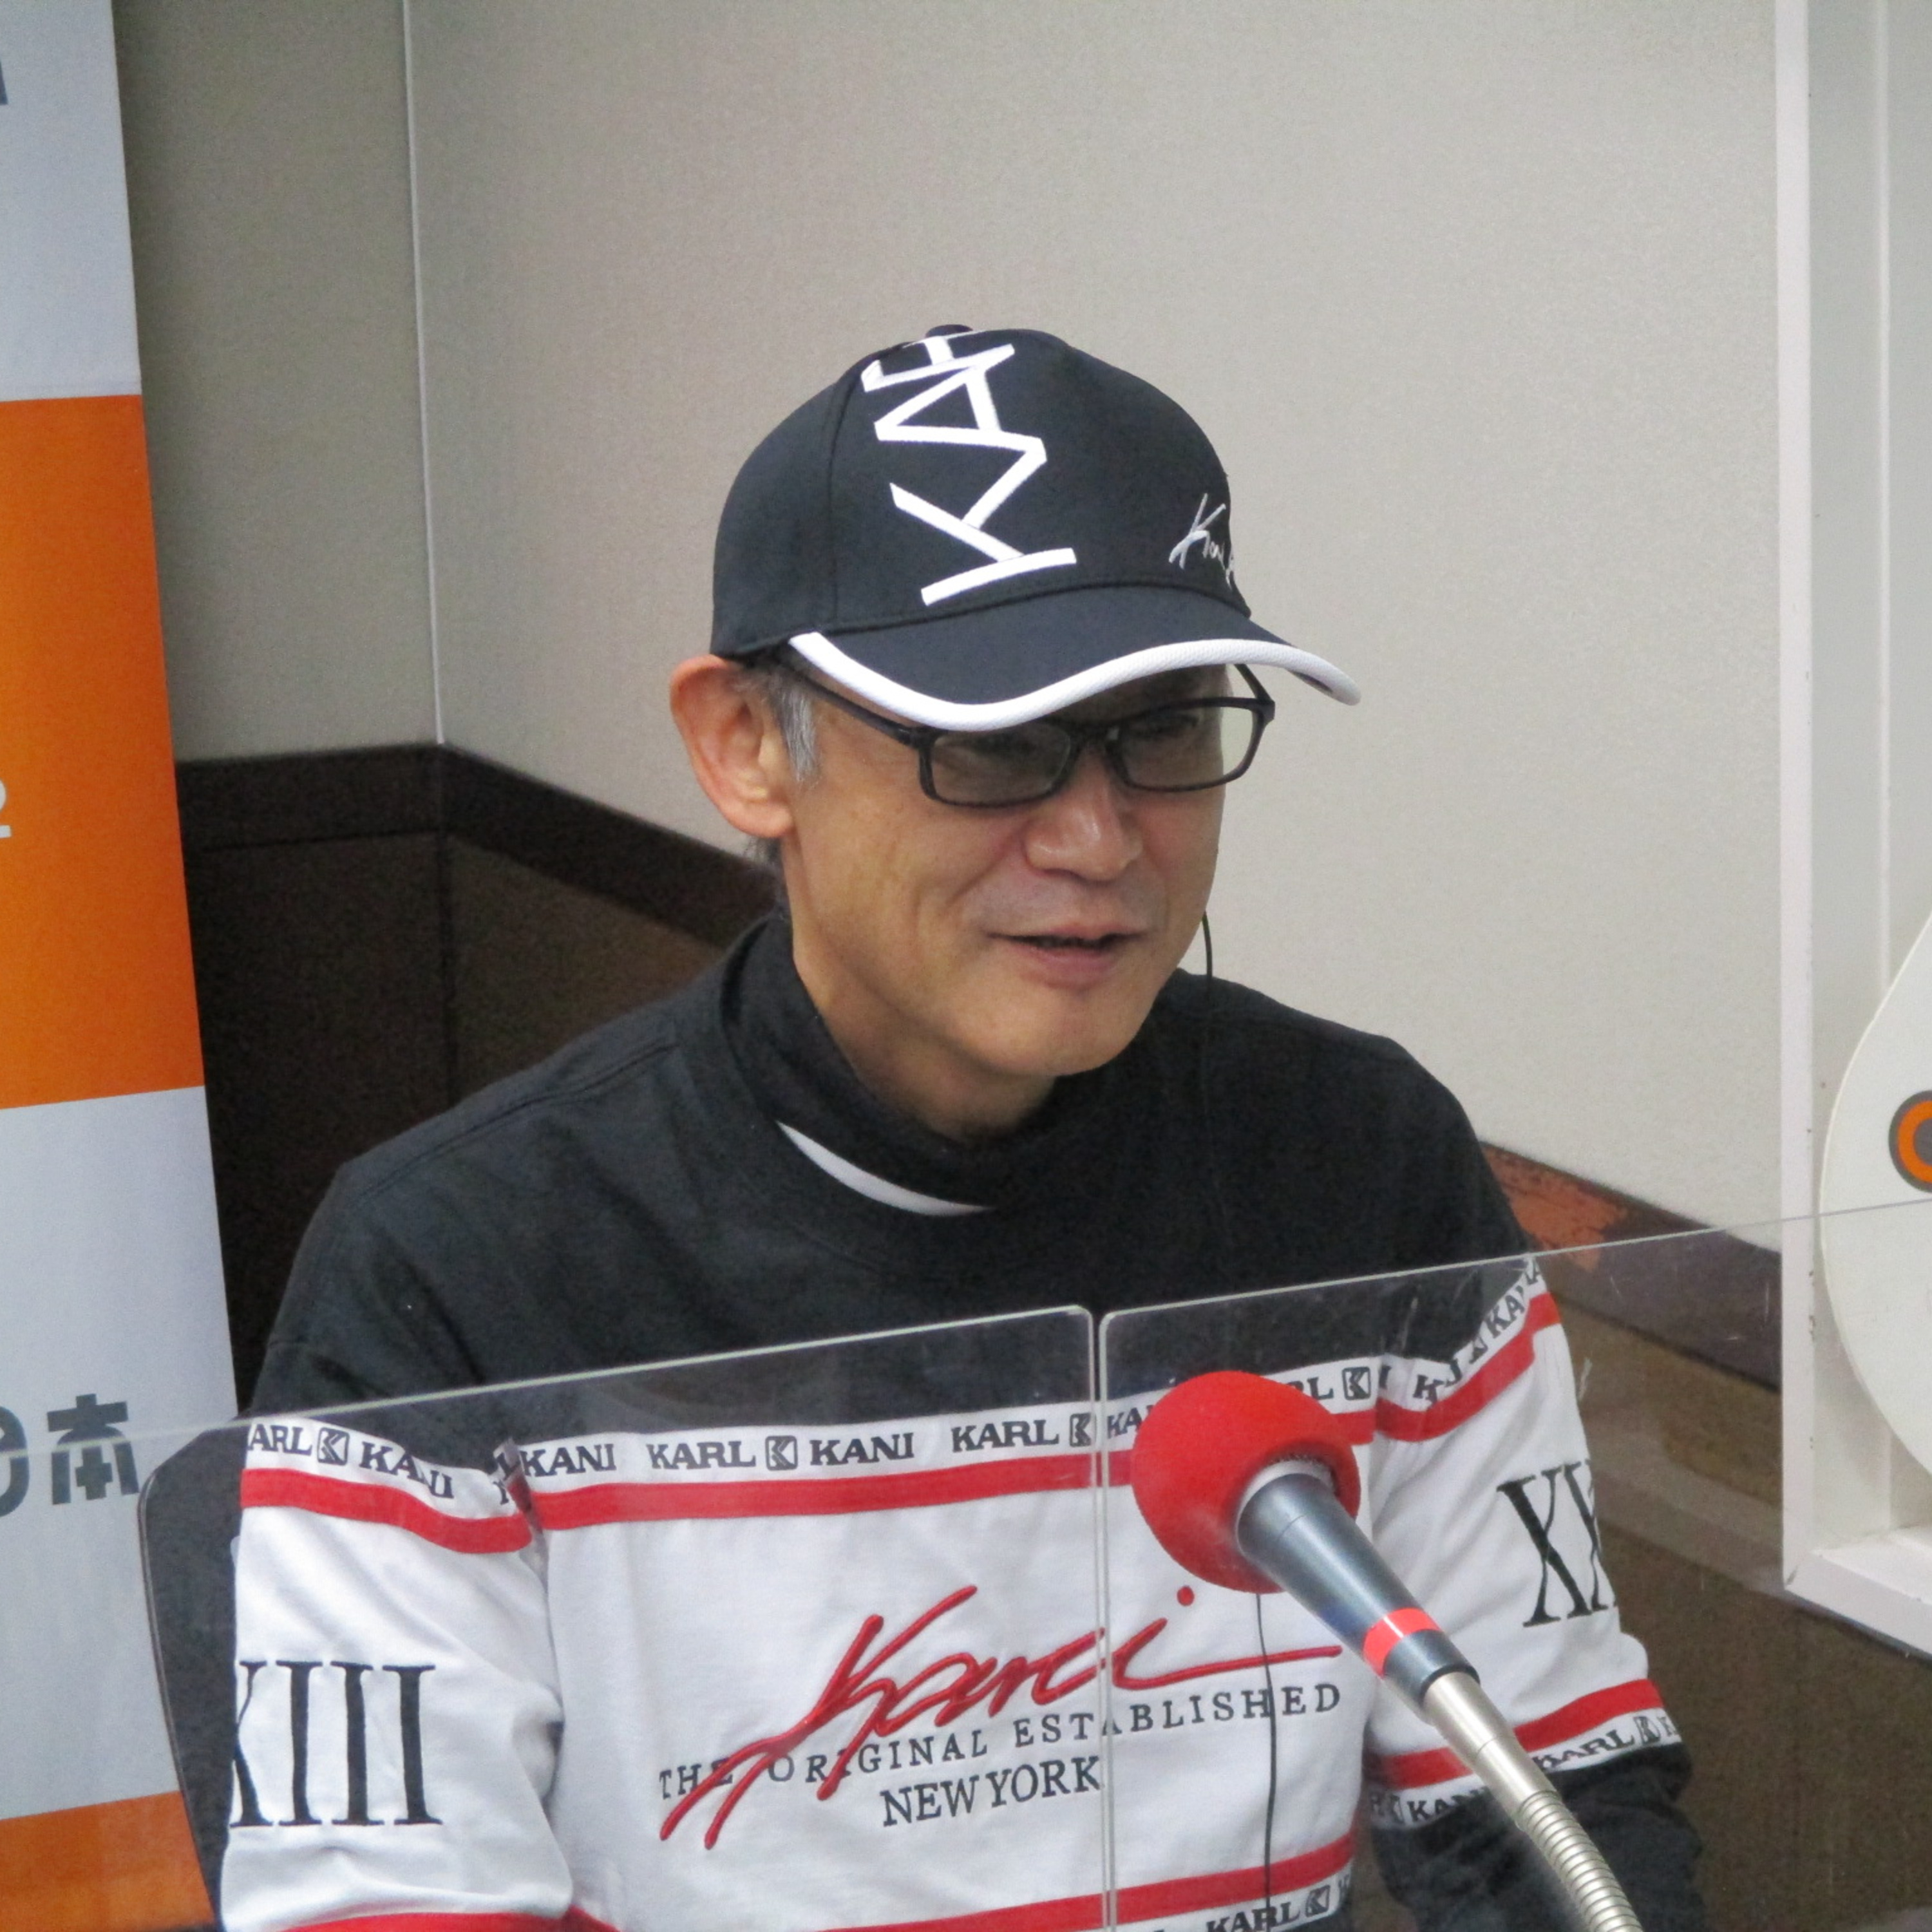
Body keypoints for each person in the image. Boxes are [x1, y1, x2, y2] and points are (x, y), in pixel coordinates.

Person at [226, 327, 1704, 1932]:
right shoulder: (461, 1264)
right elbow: (389, 1907)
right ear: (745, 748)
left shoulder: (1358, 1163)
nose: (1099, 838)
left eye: (1163, 729)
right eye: (994, 741)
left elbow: (1548, 1805)